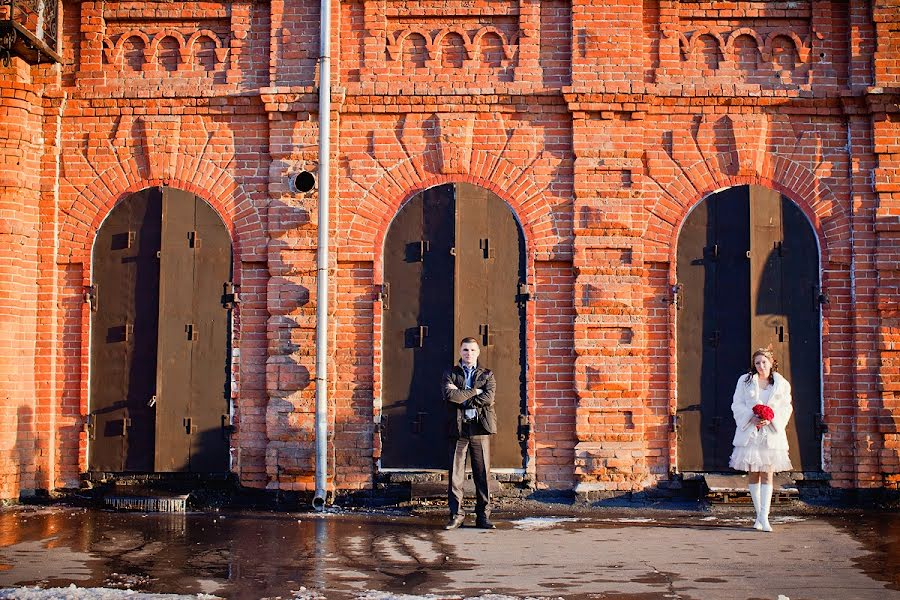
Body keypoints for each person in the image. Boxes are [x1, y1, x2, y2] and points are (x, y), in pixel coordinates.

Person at [729, 347, 793, 532]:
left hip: (771, 433)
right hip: (751, 432)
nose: (761, 366)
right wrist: (751, 416)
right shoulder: (745, 381)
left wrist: (771, 419)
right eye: (757, 363)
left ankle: (764, 517)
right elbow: (737, 404)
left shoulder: (782, 384)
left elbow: (786, 407)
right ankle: (759, 517)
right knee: (753, 473)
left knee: (767, 472)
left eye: (764, 362)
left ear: (771, 362)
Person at [442, 337, 497, 530]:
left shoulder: (487, 374)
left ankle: (483, 516)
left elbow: (488, 398)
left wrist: (463, 396)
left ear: (478, 352)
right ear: (460, 351)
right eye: (465, 350)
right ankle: (456, 515)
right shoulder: (451, 372)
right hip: (458, 428)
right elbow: (450, 396)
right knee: (455, 474)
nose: (469, 354)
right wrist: (475, 391)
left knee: (482, 474)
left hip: (479, 428)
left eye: (473, 350)